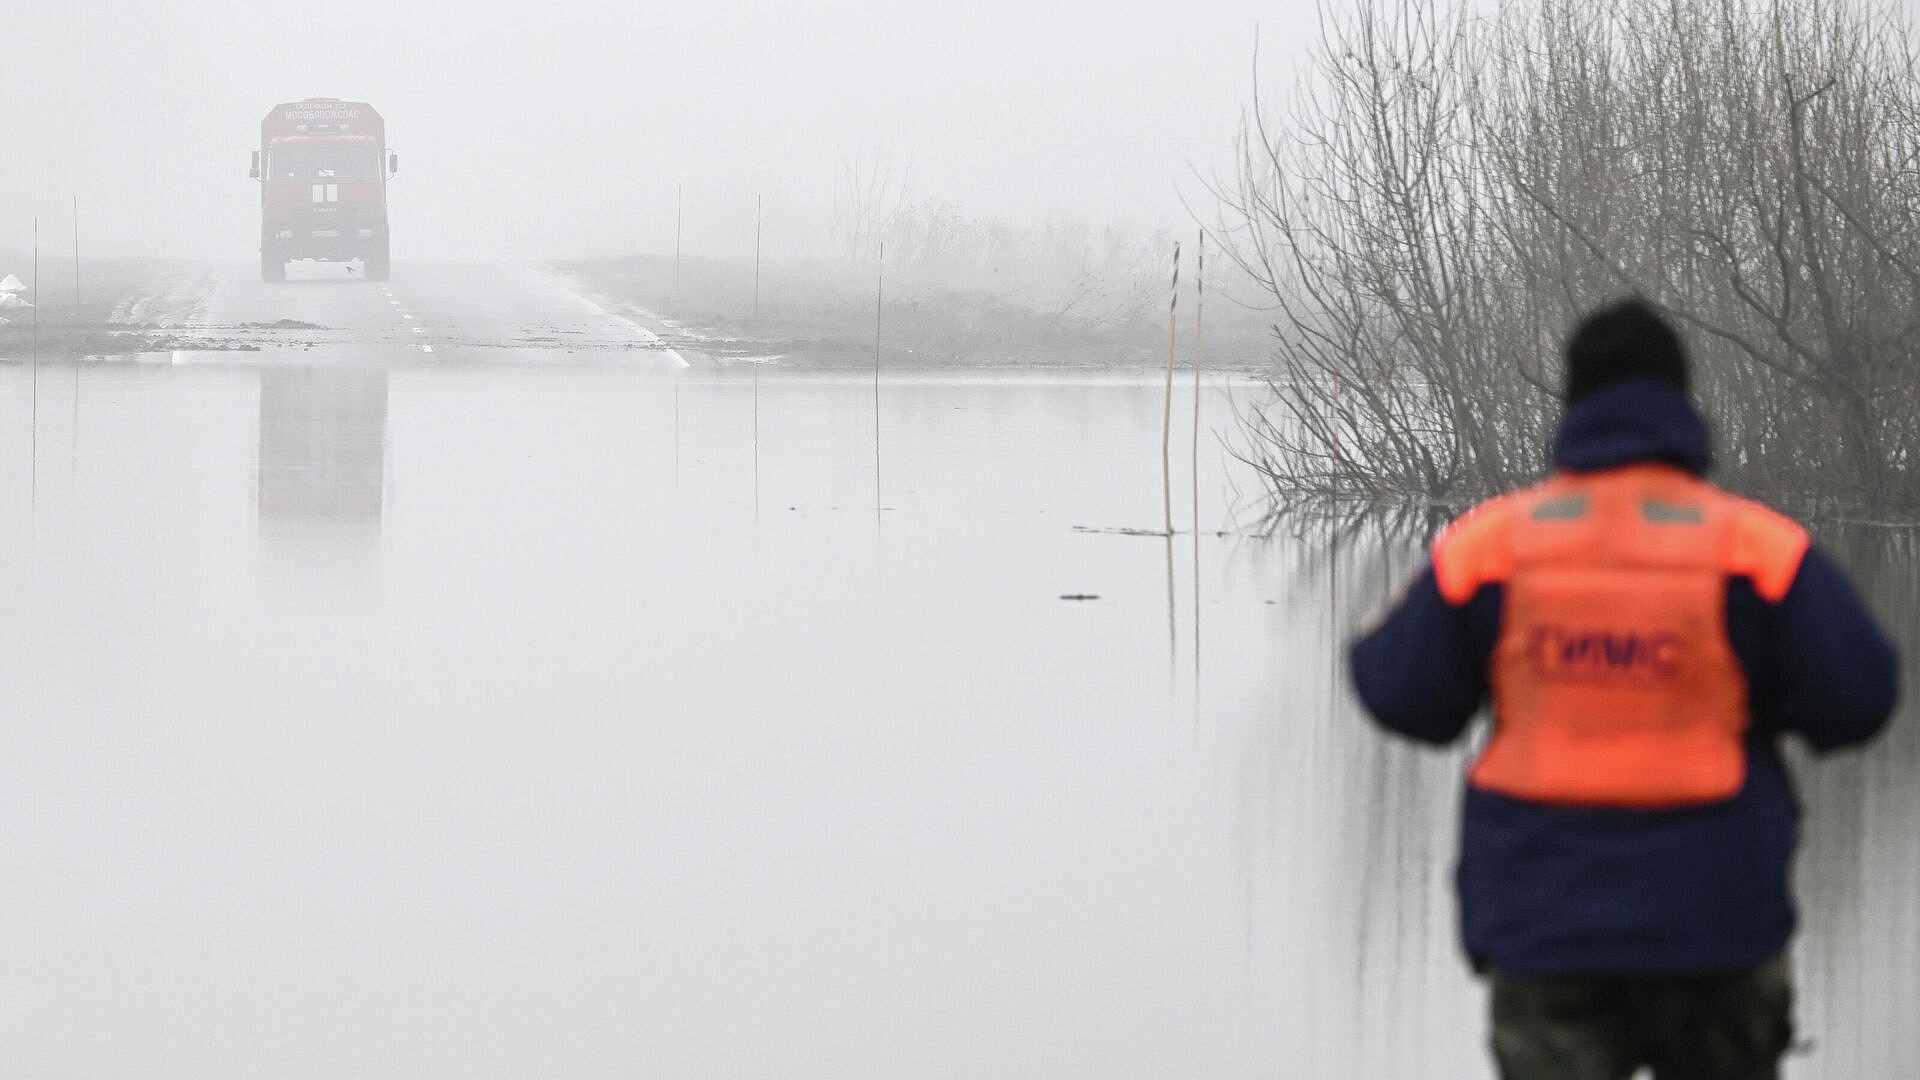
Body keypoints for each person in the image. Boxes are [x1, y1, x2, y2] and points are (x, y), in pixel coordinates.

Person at [1348, 298, 1899, 1080]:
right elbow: (1862, 698)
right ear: (1682, 400)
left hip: (1546, 936)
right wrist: (1759, 699)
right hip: (1717, 932)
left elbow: (1397, 691)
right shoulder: (1756, 550)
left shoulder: (1491, 546)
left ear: (1571, 403)